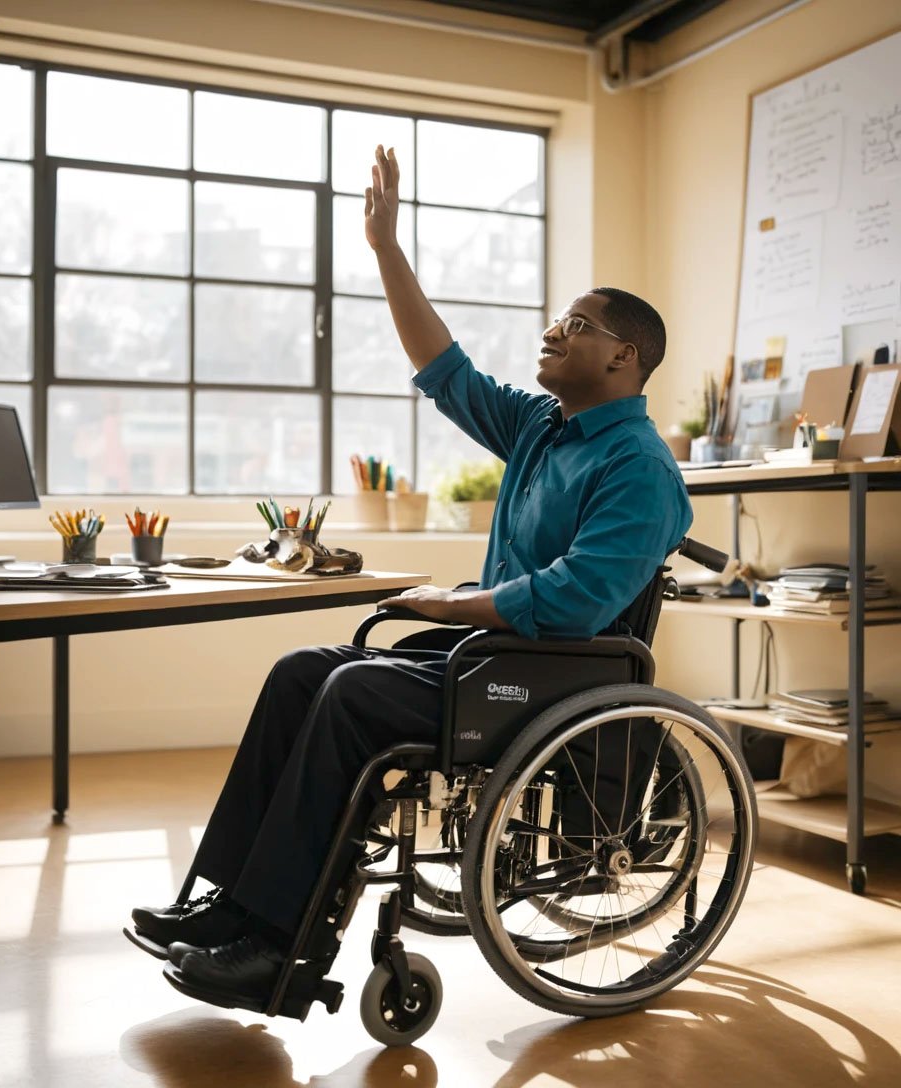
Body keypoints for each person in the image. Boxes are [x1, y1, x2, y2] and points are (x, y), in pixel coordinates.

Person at [128, 145, 693, 1008]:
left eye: (576, 325)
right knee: (301, 672)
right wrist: (386, 246)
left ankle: (277, 950)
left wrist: (448, 601)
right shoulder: (544, 427)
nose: (553, 330)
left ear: (624, 358)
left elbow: (580, 597)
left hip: (551, 677)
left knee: (353, 693)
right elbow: (447, 372)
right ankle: (227, 906)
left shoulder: (639, 467)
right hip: (491, 658)